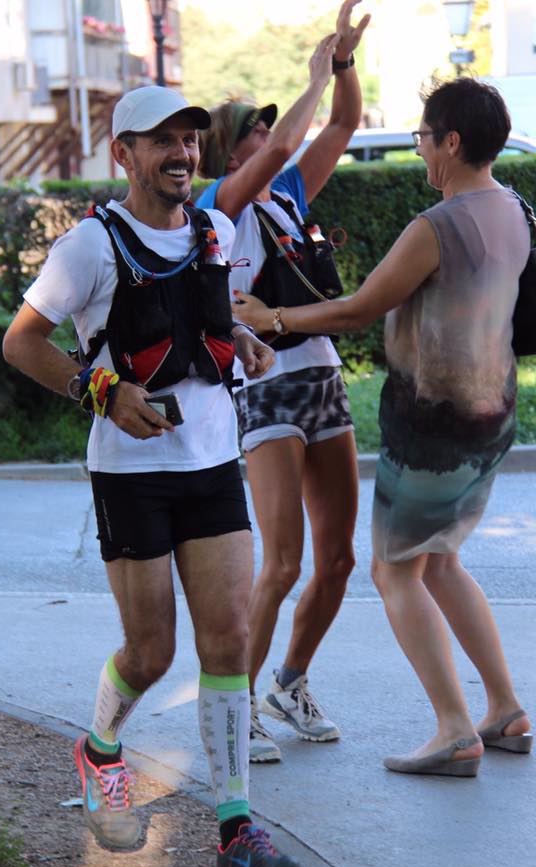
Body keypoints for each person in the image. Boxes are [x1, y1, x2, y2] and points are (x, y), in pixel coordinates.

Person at [2, 84, 304, 867]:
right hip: (130, 476)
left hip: (213, 463)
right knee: (151, 651)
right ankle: (101, 748)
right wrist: (100, 391)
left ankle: (236, 829)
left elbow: (204, 317)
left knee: (229, 638)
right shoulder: (89, 248)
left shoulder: (215, 230)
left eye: (190, 140)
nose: (182, 153)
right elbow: (21, 343)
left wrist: (241, 340)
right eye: (162, 140)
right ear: (124, 154)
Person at [232, 76, 533, 775]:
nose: (420, 148)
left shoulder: (437, 226)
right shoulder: (516, 209)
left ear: (451, 142)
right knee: (441, 560)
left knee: (394, 569)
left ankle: (454, 729)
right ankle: (505, 710)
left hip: (435, 423)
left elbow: (358, 308)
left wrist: (272, 317)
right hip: (492, 413)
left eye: (423, 137)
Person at [196, 0, 370, 763]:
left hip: (321, 376)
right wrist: (314, 75)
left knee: (339, 560)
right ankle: (238, 706)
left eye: (267, 127)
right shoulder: (219, 205)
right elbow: (294, 138)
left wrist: (344, 67)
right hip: (264, 390)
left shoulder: (289, 195)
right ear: (226, 152)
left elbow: (344, 125)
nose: (267, 135)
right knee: (284, 562)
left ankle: (288, 683)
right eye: (252, 130)